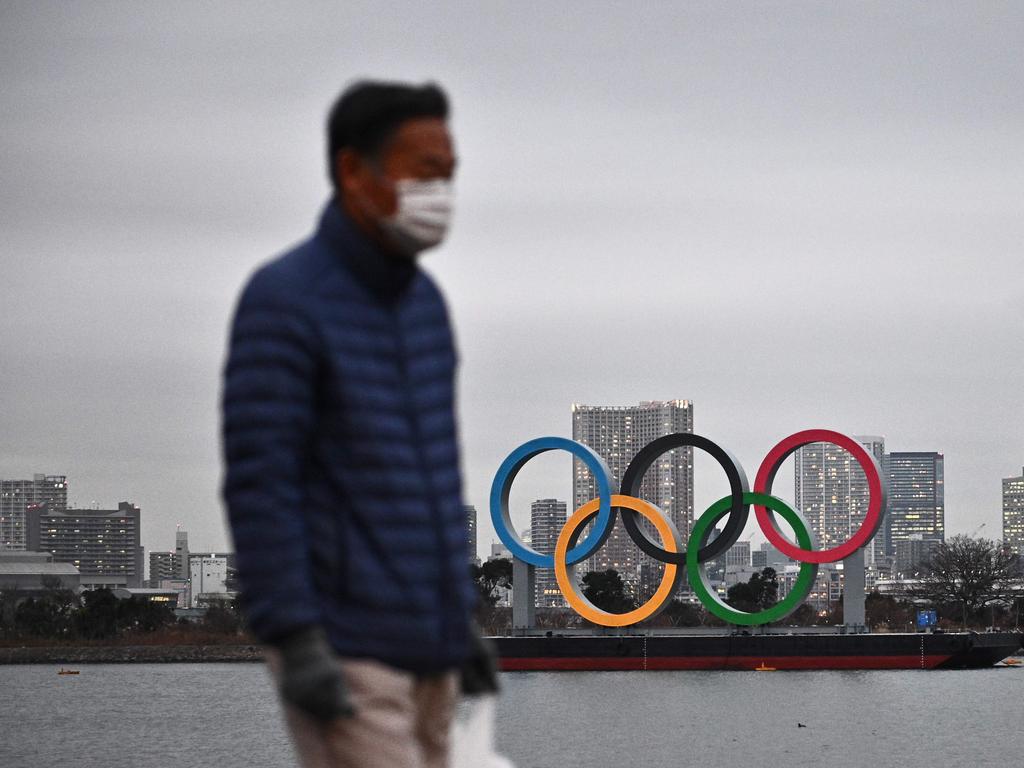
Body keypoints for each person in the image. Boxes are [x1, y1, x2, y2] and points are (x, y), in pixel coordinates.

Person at [221, 80, 496, 768]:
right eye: (423, 171)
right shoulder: (284, 301)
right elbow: (262, 482)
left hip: (431, 647)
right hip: (345, 647)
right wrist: (296, 636)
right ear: (353, 170)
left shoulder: (425, 305)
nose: (442, 191)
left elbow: (436, 479)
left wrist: (458, 619)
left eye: (449, 173)